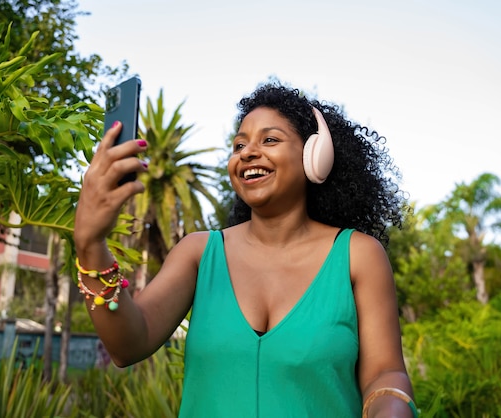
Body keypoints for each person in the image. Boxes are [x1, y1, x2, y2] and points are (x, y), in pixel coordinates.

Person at [73, 81, 418, 417]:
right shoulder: (199, 253)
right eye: (239, 145)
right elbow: (127, 344)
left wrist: (390, 402)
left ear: (316, 155)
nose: (248, 152)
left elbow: (384, 371)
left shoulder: (358, 255)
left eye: (270, 139)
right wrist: (90, 244)